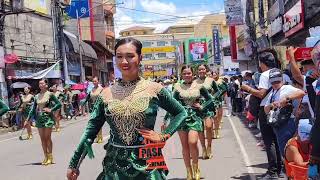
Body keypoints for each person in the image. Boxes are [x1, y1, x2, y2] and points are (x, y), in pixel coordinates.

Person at [67, 38, 187, 180]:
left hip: (148, 164)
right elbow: (90, 132)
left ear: (140, 57)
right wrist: (74, 163)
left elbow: (181, 112)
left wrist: (163, 135)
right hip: (115, 166)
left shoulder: (154, 89)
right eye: (119, 57)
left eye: (130, 56)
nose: (124, 61)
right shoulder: (105, 94)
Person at [241, 52, 285, 179]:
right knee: (277, 140)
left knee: (269, 141)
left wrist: (247, 88)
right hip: (280, 109)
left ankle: (272, 172)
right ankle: (280, 170)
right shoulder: (281, 73)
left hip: (266, 110)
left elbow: (261, 94)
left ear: (262, 63)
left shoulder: (265, 75)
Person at [172, 65, 214, 180]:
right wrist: (167, 120)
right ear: (181, 75)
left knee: (193, 142)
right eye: (184, 73)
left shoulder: (199, 86)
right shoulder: (177, 87)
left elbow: (210, 99)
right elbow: (171, 103)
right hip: (181, 119)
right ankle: (189, 172)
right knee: (184, 146)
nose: (187, 75)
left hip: (195, 117)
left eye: (189, 73)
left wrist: (202, 106)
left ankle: (196, 168)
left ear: (193, 74)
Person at [264, 68, 305, 157]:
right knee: (283, 149)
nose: (275, 84)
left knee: (288, 148)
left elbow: (301, 93)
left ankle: (288, 168)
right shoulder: (272, 92)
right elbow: (266, 109)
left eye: (277, 81)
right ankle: (286, 168)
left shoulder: (286, 88)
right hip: (278, 123)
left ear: (282, 79)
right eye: (273, 82)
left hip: (287, 122)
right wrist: (272, 105)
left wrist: (286, 98)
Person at [27, 79, 61, 166]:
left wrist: (51, 109)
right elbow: (33, 108)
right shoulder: (36, 96)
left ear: (46, 85)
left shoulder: (50, 94)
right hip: (39, 118)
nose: (40, 85)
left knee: (47, 138)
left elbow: (58, 104)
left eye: (42, 83)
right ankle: (45, 156)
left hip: (48, 118)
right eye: (39, 83)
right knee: (42, 139)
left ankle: (50, 156)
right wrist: (27, 119)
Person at [194, 64, 218, 160]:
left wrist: (213, 99)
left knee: (208, 127)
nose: (201, 71)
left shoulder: (211, 80)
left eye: (203, 69)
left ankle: (209, 147)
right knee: (200, 129)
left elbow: (217, 92)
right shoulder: (194, 82)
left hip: (208, 106)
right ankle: (203, 148)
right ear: (197, 71)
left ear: (206, 70)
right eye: (200, 69)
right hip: (198, 107)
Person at [81, 76, 104, 143]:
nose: (94, 82)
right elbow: (88, 97)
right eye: (93, 81)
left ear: (98, 81)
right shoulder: (92, 89)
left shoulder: (101, 89)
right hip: (93, 107)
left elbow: (104, 98)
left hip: (100, 107)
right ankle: (96, 136)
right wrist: (83, 103)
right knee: (93, 123)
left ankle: (100, 137)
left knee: (98, 122)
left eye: (95, 81)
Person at [212, 71, 228, 139]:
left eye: (215, 74)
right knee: (214, 116)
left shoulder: (221, 81)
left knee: (219, 114)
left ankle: (217, 127)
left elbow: (225, 89)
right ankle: (214, 132)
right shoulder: (209, 82)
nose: (214, 76)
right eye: (213, 75)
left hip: (218, 100)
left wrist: (222, 96)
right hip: (211, 101)